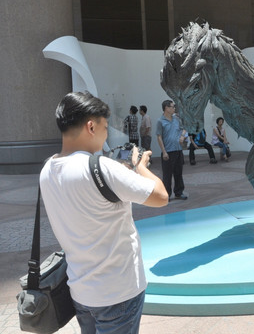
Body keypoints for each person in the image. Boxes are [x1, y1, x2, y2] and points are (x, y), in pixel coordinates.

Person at [39, 91, 168, 333]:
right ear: (91, 126)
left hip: (80, 291)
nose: (106, 132)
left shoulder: (47, 169)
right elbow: (161, 197)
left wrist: (121, 172)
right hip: (117, 292)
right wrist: (140, 168)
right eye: (105, 126)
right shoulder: (102, 168)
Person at [156, 100, 187, 200]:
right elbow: (159, 136)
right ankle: (166, 194)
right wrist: (164, 151)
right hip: (168, 152)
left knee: (178, 173)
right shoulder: (160, 121)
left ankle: (179, 192)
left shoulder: (177, 119)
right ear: (166, 108)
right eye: (172, 107)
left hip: (178, 150)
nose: (174, 108)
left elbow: (184, 129)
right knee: (167, 175)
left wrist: (182, 136)